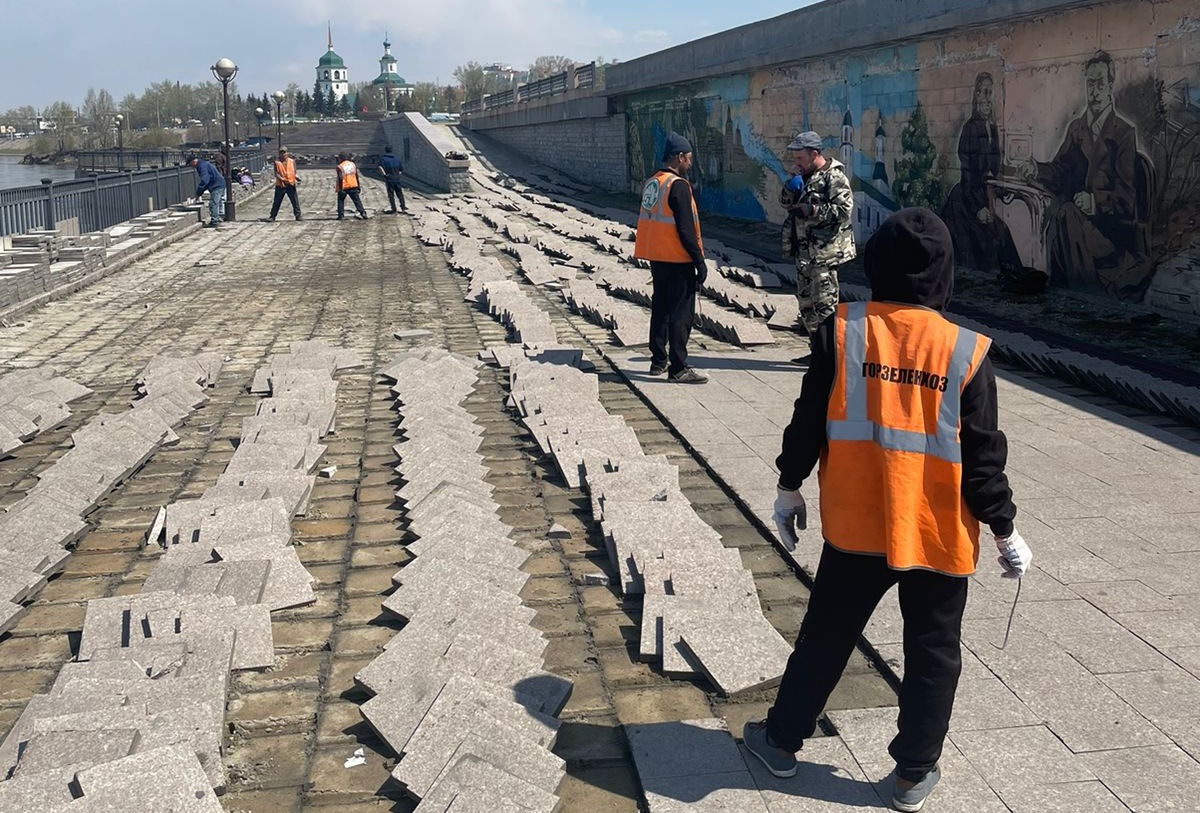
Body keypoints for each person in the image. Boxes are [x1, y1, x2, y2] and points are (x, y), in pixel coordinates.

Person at [744, 208, 1030, 813]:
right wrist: (1004, 529)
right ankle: (912, 774)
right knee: (933, 653)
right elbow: (983, 458)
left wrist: (789, 485)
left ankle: (780, 741)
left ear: (876, 264)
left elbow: (807, 420)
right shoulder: (966, 352)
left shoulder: (842, 332)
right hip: (936, 532)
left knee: (826, 637)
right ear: (946, 272)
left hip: (858, 526)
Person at [1019, 51, 1143, 296]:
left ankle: (1082, 293)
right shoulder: (1077, 129)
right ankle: (1070, 294)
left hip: (1109, 233)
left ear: (1110, 85)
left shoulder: (1123, 133)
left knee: (1066, 214)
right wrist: (1036, 169)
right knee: (1062, 213)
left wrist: (1095, 202)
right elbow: (1060, 171)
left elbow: (1127, 199)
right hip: (1077, 224)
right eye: (1090, 83)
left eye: (1100, 84)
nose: (1094, 91)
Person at [633, 131, 709, 385]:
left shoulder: (653, 182)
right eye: (689, 158)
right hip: (678, 258)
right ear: (679, 157)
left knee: (660, 310)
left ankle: (658, 361)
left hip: (657, 257)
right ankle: (678, 368)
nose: (690, 163)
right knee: (680, 314)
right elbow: (686, 228)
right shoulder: (678, 185)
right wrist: (699, 261)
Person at [779, 131, 854, 361]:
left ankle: (830, 358)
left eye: (800, 158)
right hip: (804, 252)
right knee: (806, 304)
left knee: (825, 306)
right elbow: (785, 203)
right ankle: (816, 353)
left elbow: (844, 211)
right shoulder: (804, 176)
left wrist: (812, 210)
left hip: (824, 254)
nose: (797, 163)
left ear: (814, 154)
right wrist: (790, 188)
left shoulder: (834, 176)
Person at [940, 72, 1024, 278]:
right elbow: (968, 173)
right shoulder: (970, 128)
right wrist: (977, 208)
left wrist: (1007, 185)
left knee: (1001, 237)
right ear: (976, 95)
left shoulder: (992, 128)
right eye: (984, 93)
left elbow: (994, 168)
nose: (988, 99)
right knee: (980, 251)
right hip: (965, 201)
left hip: (981, 197)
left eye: (990, 93)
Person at [190, 155, 226, 228]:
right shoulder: (203, 164)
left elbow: (205, 180)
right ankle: (219, 217)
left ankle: (215, 221)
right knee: (218, 202)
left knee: (213, 203)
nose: (191, 166)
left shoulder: (202, 166)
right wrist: (200, 193)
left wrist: (198, 192)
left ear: (193, 161)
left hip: (216, 185)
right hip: (219, 184)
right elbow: (207, 181)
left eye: (190, 164)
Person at [268, 147, 302, 222]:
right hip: (281, 185)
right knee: (277, 201)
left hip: (291, 184)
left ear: (287, 153)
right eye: (281, 153)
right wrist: (282, 179)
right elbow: (276, 173)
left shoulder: (292, 161)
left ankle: (298, 215)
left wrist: (297, 178)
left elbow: (294, 172)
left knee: (295, 201)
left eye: (284, 152)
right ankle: (272, 216)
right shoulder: (277, 162)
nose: (283, 154)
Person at [335, 152, 369, 220]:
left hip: (344, 186)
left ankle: (341, 215)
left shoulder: (340, 166)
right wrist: (358, 186)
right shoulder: (352, 164)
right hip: (353, 185)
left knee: (341, 201)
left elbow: (341, 178)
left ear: (340, 158)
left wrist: (340, 188)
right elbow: (356, 176)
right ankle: (363, 212)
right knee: (357, 200)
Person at [377, 146, 408, 214]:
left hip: (389, 179)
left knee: (391, 194)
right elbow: (400, 170)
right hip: (397, 179)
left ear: (385, 150)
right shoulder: (397, 158)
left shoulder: (383, 159)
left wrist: (384, 175)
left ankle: (394, 209)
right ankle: (403, 207)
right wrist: (398, 175)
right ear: (391, 150)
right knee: (399, 193)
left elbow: (380, 167)